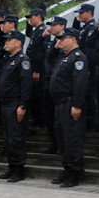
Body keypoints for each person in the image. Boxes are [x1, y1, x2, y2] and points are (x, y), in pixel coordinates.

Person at [49, 28, 89, 188]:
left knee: (72, 139)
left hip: (70, 104)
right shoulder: (65, 57)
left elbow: (79, 84)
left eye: (62, 39)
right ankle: (67, 169)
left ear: (73, 39)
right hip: (59, 105)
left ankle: (74, 173)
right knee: (62, 139)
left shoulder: (79, 58)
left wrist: (77, 105)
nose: (59, 41)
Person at [0, 30, 32, 183]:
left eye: (9, 40)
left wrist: (22, 105)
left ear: (18, 43)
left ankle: (18, 169)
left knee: (16, 138)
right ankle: (11, 166)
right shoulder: (9, 59)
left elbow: (26, 85)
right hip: (5, 104)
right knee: (8, 138)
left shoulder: (23, 60)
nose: (6, 42)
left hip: (15, 103)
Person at [41, 16, 67, 154]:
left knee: (60, 119)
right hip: (48, 81)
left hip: (60, 86)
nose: (51, 27)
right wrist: (43, 37)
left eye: (54, 25)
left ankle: (61, 146)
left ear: (62, 26)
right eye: (50, 24)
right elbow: (47, 58)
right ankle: (54, 144)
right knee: (50, 118)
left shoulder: (68, 41)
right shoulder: (51, 42)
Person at [75, 4, 98, 129]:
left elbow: (89, 50)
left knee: (89, 94)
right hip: (84, 65)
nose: (79, 15)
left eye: (81, 13)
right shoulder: (84, 28)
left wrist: (87, 67)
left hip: (89, 66)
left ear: (89, 13)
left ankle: (90, 122)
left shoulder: (92, 27)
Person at [25, 8, 48, 130]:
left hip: (38, 68)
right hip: (33, 66)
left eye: (31, 17)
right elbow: (29, 34)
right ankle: (36, 120)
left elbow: (41, 53)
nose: (30, 19)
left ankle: (40, 121)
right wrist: (27, 24)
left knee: (38, 95)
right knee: (33, 94)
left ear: (38, 16)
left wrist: (37, 70)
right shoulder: (36, 31)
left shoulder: (43, 31)